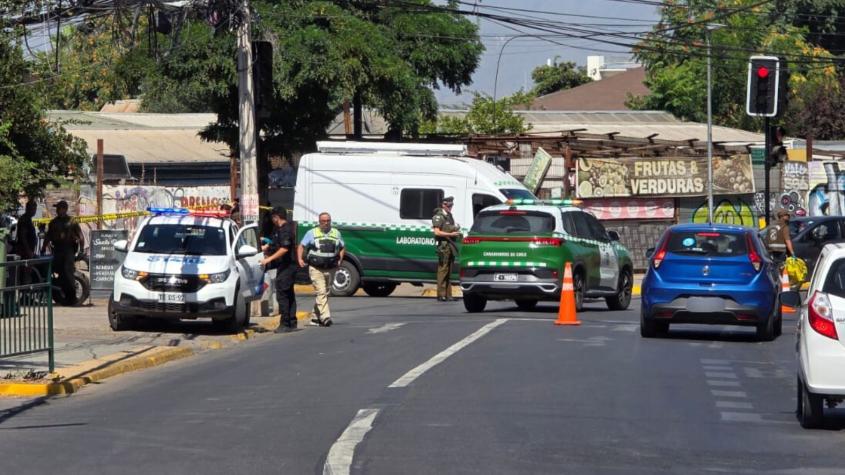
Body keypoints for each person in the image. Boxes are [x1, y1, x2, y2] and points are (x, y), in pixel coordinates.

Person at [297, 212, 344, 327]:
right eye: (323, 221)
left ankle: (314, 318)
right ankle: (326, 317)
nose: (326, 223)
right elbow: (301, 246)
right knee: (321, 292)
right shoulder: (311, 233)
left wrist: (340, 260)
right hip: (316, 268)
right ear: (319, 222)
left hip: (331, 268)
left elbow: (342, 247)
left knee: (324, 294)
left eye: (328, 220)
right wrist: (300, 259)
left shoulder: (336, 233)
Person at [260, 207, 298, 333]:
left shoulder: (286, 230)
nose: (272, 220)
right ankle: (292, 322)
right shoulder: (280, 230)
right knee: (289, 293)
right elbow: (276, 244)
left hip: (288, 266)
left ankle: (285, 323)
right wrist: (266, 247)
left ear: (276, 217)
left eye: (273, 218)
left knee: (282, 293)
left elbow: (284, 248)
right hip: (286, 266)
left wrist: (268, 259)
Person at [42, 200, 84, 305]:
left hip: (68, 250)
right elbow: (48, 236)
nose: (57, 210)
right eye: (57, 208)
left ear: (65, 209)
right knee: (58, 272)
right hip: (57, 250)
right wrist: (43, 248)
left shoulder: (72, 221)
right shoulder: (53, 222)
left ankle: (72, 297)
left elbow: (80, 236)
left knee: (67, 272)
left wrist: (81, 250)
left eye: (59, 208)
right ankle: (62, 296)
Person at [432, 196, 461, 302]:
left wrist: (455, 229)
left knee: (449, 271)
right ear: (444, 205)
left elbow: (449, 227)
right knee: (442, 271)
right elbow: (437, 232)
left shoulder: (449, 216)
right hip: (443, 247)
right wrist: (451, 233)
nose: (451, 207)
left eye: (452, 205)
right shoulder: (438, 216)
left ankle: (448, 295)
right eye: (449, 205)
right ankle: (441, 294)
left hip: (450, 246)